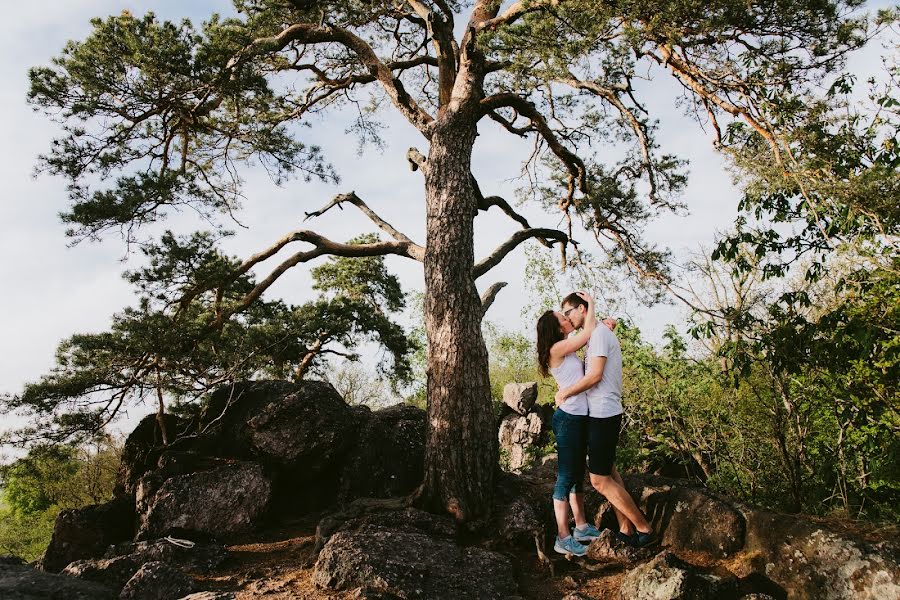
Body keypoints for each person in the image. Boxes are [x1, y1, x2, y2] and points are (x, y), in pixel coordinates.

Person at [555, 292, 657, 548]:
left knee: (599, 480)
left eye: (568, 313)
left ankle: (644, 528)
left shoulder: (599, 335)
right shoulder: (598, 334)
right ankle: (626, 528)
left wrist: (565, 392)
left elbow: (595, 376)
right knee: (609, 471)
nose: (568, 319)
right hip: (599, 412)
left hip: (603, 413)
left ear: (581, 308)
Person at [536, 291, 604, 557]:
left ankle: (582, 526)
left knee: (576, 475)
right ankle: (563, 536)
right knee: (565, 478)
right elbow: (587, 335)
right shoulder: (557, 348)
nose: (567, 318)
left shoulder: (564, 348)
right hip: (568, 420)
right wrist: (591, 305)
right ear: (557, 327)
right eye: (561, 317)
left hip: (576, 418)